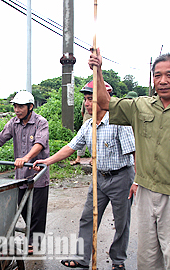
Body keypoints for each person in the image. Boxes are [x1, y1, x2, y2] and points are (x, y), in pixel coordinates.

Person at [90, 49, 170, 270]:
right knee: (147, 257)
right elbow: (103, 102)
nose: (163, 81)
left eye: (169, 75)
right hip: (147, 192)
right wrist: (98, 70)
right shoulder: (141, 106)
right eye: (157, 75)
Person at [33, 81, 135, 270]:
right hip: (99, 178)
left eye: (92, 99)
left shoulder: (120, 122)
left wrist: (137, 181)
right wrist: (47, 161)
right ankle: (82, 258)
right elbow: (71, 147)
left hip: (122, 178)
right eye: (86, 100)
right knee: (88, 218)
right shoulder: (88, 125)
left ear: (105, 100)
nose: (87, 104)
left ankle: (118, 261)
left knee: (122, 222)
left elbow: (134, 153)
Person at [0, 91, 50, 254]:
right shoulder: (13, 123)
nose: (17, 110)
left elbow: (40, 143)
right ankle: (31, 237)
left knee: (37, 211)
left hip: (38, 174)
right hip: (21, 175)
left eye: (20, 106)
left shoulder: (40, 123)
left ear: (30, 107)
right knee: (22, 207)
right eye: (15, 106)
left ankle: (34, 242)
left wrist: (26, 157)